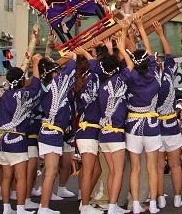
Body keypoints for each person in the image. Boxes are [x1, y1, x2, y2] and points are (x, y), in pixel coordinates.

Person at [0, 55, 43, 214]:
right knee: (21, 176)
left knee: (6, 177)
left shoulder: (4, 96)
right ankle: (21, 208)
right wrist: (35, 64)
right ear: (22, 80)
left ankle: (6, 208)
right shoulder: (22, 95)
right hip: (17, 139)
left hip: (2, 139)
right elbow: (35, 87)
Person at [125, 15, 162, 214]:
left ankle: (137, 205)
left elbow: (131, 57)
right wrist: (140, 26)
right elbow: (149, 54)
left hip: (133, 124)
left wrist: (124, 36)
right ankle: (154, 204)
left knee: (135, 167)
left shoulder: (129, 76)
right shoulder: (155, 75)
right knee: (153, 167)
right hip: (152, 124)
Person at [98, 31, 134, 214]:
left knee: (112, 172)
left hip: (103, 134)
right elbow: (130, 64)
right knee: (118, 172)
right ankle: (113, 206)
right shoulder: (121, 79)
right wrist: (121, 48)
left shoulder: (102, 86)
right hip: (116, 134)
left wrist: (111, 50)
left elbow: (113, 67)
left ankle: (111, 205)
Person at [37, 51, 77, 214]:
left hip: (49, 131)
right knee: (51, 172)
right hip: (52, 133)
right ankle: (44, 207)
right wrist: (73, 58)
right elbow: (69, 70)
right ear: (53, 73)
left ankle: (44, 205)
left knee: (50, 171)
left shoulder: (44, 87)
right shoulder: (55, 86)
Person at [153, 21, 182, 209]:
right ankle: (178, 198)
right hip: (171, 126)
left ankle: (161, 198)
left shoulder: (150, 81)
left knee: (157, 167)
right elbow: (170, 56)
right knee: (175, 165)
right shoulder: (169, 76)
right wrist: (161, 34)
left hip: (155, 127)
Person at [73, 45, 104, 214]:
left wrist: (89, 52)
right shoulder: (91, 78)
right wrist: (86, 52)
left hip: (87, 130)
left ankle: (85, 199)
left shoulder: (82, 81)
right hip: (89, 130)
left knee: (95, 170)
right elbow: (95, 66)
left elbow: (94, 64)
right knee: (88, 171)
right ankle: (84, 205)